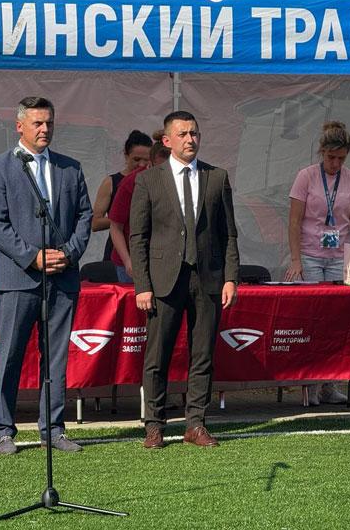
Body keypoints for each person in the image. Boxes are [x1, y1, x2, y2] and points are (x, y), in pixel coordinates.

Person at [0, 97, 92, 455]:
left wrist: (68, 254)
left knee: (56, 358)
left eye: (49, 123)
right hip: (17, 278)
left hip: (62, 276)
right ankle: (2, 430)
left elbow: (85, 217)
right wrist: (33, 257)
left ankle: (53, 429)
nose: (45, 129)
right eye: (37, 123)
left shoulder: (70, 168)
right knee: (10, 355)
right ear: (19, 126)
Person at [130, 110, 239, 449]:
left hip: (207, 278)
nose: (190, 139)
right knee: (157, 356)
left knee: (203, 354)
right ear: (167, 141)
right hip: (164, 280)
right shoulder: (148, 180)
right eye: (183, 134)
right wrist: (142, 286)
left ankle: (196, 424)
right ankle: (154, 426)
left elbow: (228, 234)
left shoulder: (216, 177)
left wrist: (231, 277)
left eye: (194, 133)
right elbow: (138, 237)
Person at [284, 121, 350, 405]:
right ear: (322, 152)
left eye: (341, 158)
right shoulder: (306, 176)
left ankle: (329, 385)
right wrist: (296, 259)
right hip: (309, 254)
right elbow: (294, 221)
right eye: (331, 158)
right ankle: (309, 383)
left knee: (336, 321)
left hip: (339, 257)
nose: (336, 164)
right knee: (312, 319)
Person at [109, 139, 171, 282]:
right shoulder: (131, 183)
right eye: (160, 169)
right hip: (133, 260)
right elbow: (115, 227)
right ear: (150, 164)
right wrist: (127, 261)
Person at [91, 129, 152, 262]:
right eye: (136, 159)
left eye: (146, 160)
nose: (141, 164)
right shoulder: (111, 182)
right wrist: (121, 218)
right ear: (126, 155)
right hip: (117, 251)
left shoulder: (154, 182)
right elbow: (95, 223)